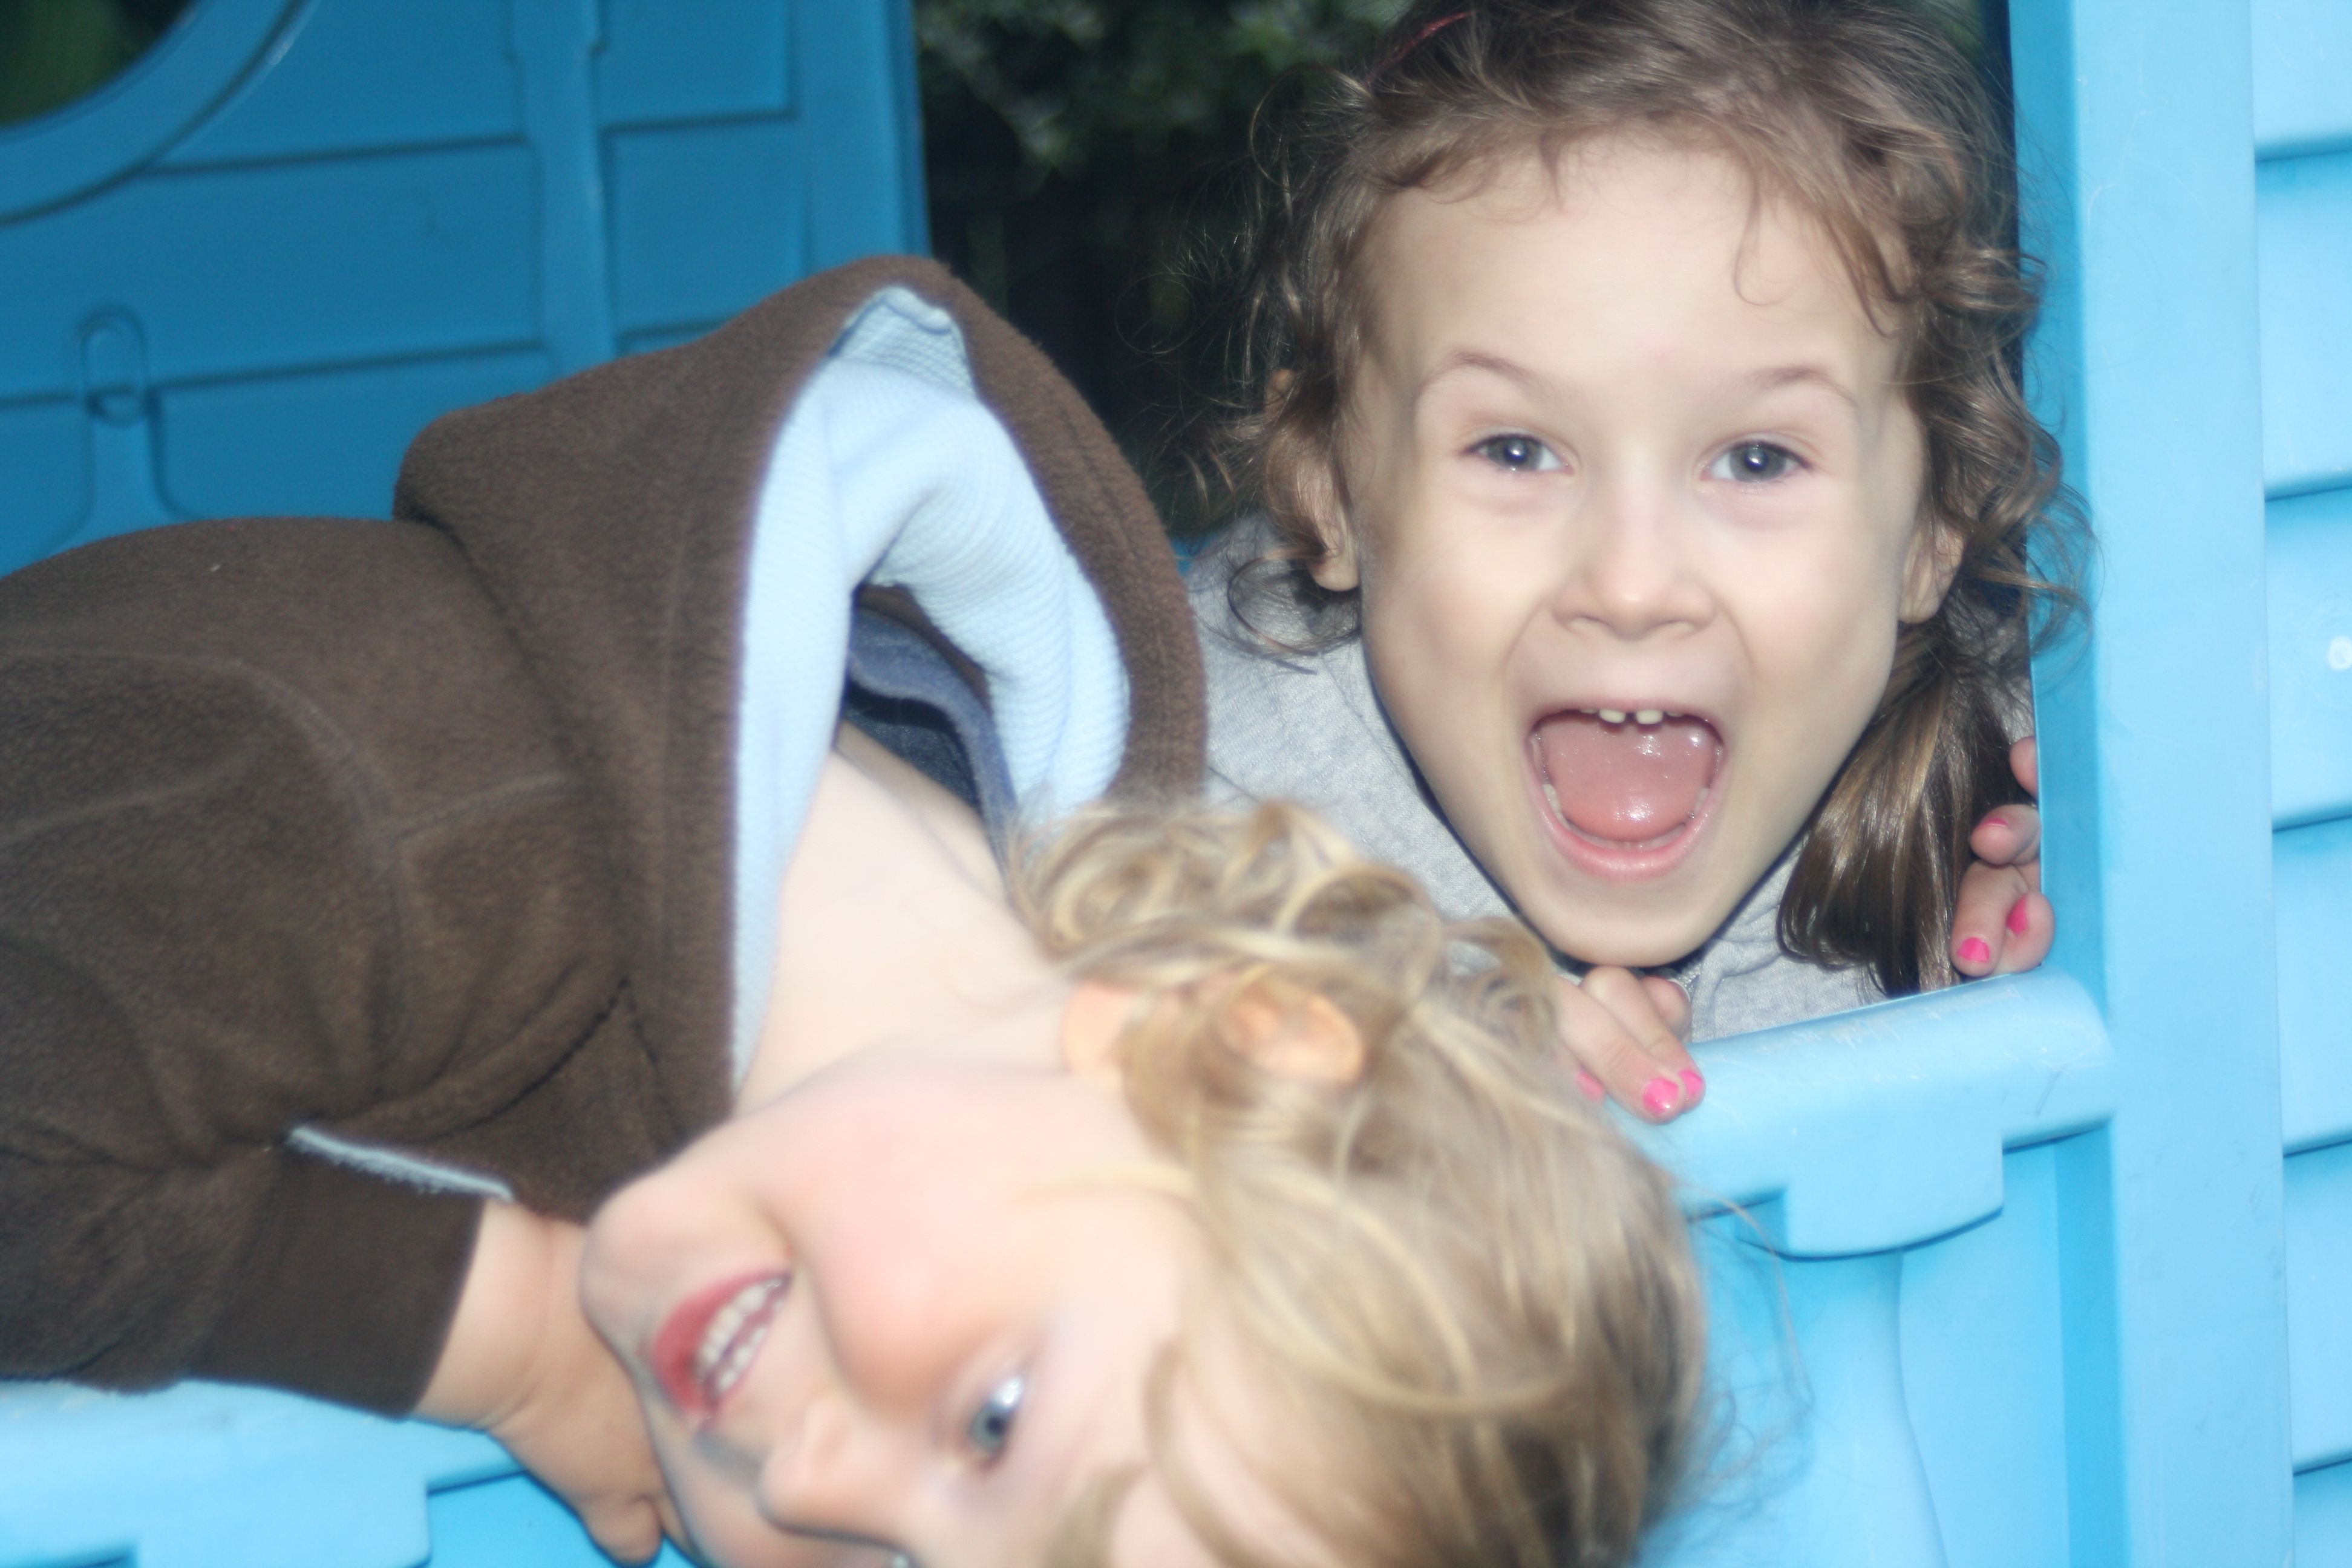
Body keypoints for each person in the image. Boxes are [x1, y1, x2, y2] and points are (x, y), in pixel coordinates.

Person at [0, 256, 1702, 1568]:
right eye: (993, 1423)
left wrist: (1456, 1043)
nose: (819, 1484)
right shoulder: (393, 810)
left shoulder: (952, 1018)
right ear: (1228, 1044)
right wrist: (500, 1333)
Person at [1186, 0, 2082, 1119]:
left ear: (1934, 528)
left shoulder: (2021, 776)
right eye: (1515, 450)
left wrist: (2099, 908)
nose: (1631, 584)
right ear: (1327, 490)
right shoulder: (1166, 833)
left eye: (1757, 459)